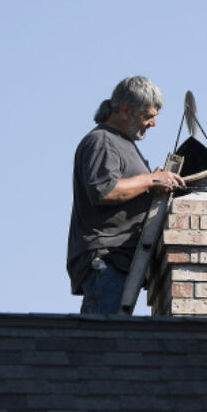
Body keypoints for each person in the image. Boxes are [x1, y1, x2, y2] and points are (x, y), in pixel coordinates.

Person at [67, 76, 184, 314]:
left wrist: (152, 182)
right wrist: (151, 180)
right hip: (106, 257)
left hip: (118, 260)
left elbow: (130, 187)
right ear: (125, 110)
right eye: (148, 116)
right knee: (105, 342)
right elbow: (104, 191)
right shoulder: (102, 141)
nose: (153, 124)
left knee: (110, 339)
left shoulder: (123, 143)